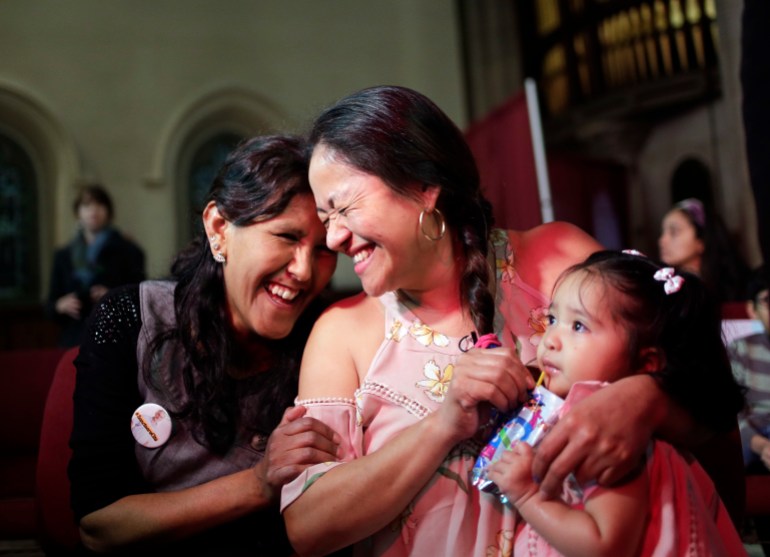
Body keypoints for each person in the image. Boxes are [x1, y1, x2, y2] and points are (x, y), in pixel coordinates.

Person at [279, 85, 743, 556]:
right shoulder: (340, 333)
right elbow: (308, 527)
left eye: (342, 207)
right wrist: (443, 424)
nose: (333, 237)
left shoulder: (559, 262)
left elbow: (714, 403)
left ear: (422, 186)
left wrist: (645, 400)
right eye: (324, 217)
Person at [68, 135, 343, 556]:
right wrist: (256, 483)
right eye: (286, 237)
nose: (304, 271)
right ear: (219, 229)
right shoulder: (132, 319)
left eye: (324, 250)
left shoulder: (330, 342)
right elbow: (98, 526)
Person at [486, 250, 745, 556]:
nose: (551, 339)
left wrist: (528, 496)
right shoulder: (574, 410)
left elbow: (605, 545)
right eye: (553, 319)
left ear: (646, 362)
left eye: (578, 326)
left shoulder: (610, 432)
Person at [46, 184, 146, 347]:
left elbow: (140, 294)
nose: (93, 210)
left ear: (108, 211)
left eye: (99, 204)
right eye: (86, 205)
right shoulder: (63, 256)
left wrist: (112, 296)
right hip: (73, 338)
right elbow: (50, 304)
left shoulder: (128, 250)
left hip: (114, 337)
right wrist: (60, 305)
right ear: (78, 213)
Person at [658, 197, 750, 303]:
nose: (662, 240)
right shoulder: (665, 294)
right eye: (663, 232)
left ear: (701, 241)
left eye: (674, 232)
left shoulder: (738, 291)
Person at [729, 265, 770, 470]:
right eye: (768, 300)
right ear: (752, 310)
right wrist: (761, 446)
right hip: (753, 437)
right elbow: (732, 413)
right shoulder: (741, 348)